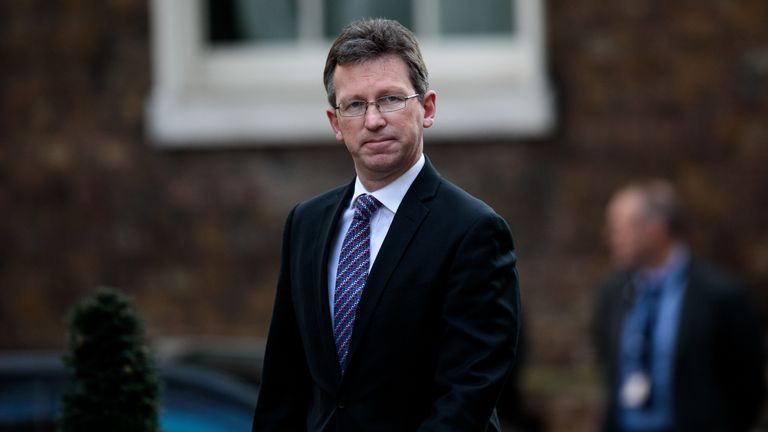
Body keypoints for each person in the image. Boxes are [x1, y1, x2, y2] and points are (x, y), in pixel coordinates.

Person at [251, 18, 520, 431]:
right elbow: (283, 385)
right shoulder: (306, 224)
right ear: (335, 122)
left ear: (427, 108)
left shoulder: (473, 231)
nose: (373, 120)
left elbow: (468, 392)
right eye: (355, 104)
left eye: (390, 99)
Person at [593, 179, 766, 432]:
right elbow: (608, 364)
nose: (612, 237)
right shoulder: (612, 293)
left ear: (656, 228)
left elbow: (747, 386)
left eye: (622, 227)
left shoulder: (720, 296)